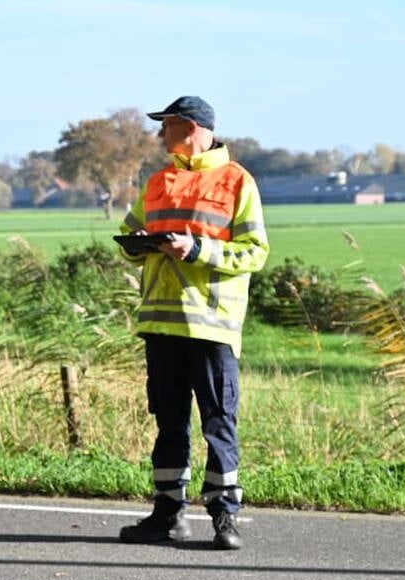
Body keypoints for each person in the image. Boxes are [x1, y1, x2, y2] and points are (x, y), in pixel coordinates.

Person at [116, 96, 268, 550]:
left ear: (191, 126)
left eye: (166, 126)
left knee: (219, 422)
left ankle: (225, 517)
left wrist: (198, 249)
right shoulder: (160, 181)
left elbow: (255, 253)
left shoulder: (237, 180)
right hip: (162, 325)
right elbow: (129, 236)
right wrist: (138, 244)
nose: (160, 134)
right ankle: (167, 515)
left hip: (211, 326)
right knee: (169, 424)